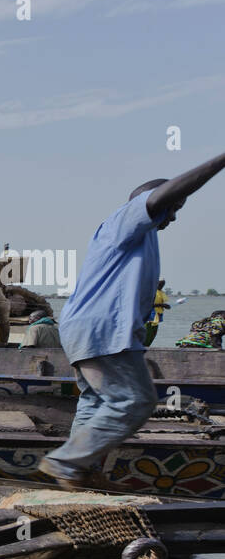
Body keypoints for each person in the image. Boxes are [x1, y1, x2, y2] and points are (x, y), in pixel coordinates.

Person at [40, 150, 225, 490]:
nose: (174, 217)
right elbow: (160, 197)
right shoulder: (126, 219)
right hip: (103, 331)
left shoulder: (140, 237)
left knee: (96, 402)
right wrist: (220, 160)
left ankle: (83, 473)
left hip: (86, 330)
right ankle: (66, 462)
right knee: (135, 401)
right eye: (174, 208)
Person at [145, 279, 169, 346]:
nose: (161, 286)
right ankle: (144, 346)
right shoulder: (152, 292)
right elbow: (148, 305)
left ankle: (147, 347)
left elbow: (161, 303)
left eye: (163, 284)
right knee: (148, 333)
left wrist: (165, 306)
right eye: (160, 284)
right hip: (151, 315)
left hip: (158, 315)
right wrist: (162, 305)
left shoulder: (160, 292)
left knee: (154, 333)